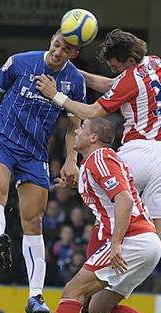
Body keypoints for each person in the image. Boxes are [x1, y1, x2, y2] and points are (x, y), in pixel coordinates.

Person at [4, 118, 161, 313]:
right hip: (147, 243)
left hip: (132, 240)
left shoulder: (100, 159)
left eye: (83, 128)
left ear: (93, 138)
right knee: (97, 310)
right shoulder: (98, 162)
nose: (77, 131)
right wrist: (76, 183)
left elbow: (122, 199)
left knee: (73, 291)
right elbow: (110, 198)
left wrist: (117, 242)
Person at [0, 30, 86, 313]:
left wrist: (71, 160)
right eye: (57, 44)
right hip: (0, 139)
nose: (58, 52)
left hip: (34, 152)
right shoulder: (19, 63)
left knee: (34, 221)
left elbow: (75, 124)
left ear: (74, 54)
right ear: (52, 39)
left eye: (65, 50)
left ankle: (35, 296)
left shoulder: (74, 80)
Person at [35, 29, 161, 239]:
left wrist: (54, 94)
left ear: (130, 60)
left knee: (105, 202)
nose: (112, 69)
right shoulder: (154, 62)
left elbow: (91, 112)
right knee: (154, 231)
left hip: (140, 150)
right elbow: (113, 85)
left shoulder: (131, 79)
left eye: (115, 66)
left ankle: (77, 183)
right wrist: (73, 71)